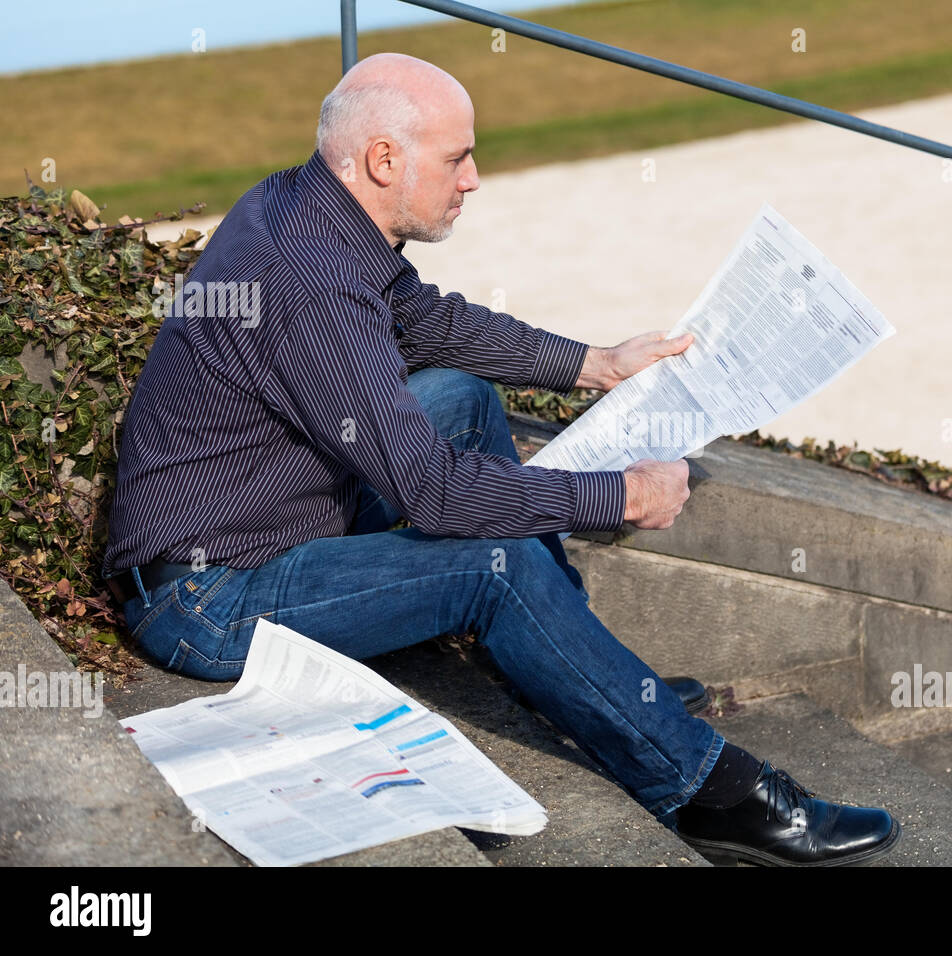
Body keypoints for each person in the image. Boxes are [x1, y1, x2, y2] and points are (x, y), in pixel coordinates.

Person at [101, 52, 900, 866]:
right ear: (384, 160)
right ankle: (707, 793)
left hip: (274, 513)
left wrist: (596, 363)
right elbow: (440, 498)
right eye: (457, 158)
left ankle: (589, 676)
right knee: (494, 561)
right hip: (210, 599)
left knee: (462, 397)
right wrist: (617, 496)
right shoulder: (311, 285)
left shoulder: (303, 203)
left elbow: (429, 324)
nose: (473, 179)